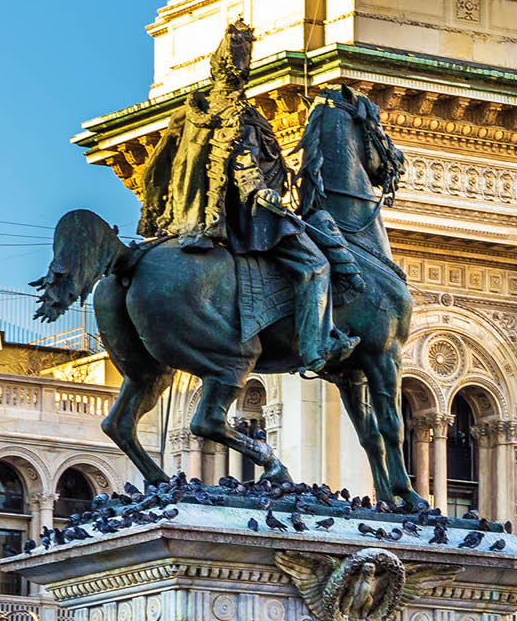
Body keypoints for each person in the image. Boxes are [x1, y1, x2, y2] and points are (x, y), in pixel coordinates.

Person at [138, 20, 360, 372]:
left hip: (196, 219)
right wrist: (262, 193)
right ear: (242, 74)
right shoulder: (237, 114)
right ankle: (318, 347)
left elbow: (157, 168)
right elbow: (242, 163)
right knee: (315, 266)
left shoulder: (191, 111)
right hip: (246, 218)